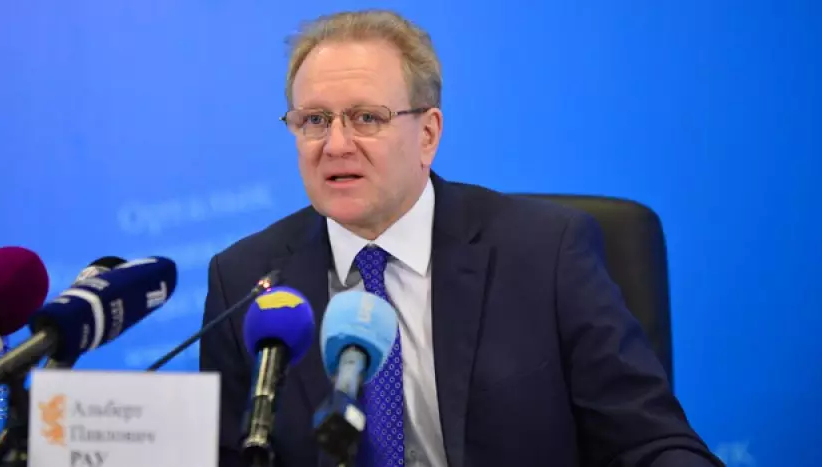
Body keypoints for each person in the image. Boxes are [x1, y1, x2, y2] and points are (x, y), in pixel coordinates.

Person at [200, 9, 721, 467]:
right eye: (314, 120)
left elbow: (649, 442)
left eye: (366, 118)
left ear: (428, 134)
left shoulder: (545, 253)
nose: (335, 145)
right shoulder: (246, 280)